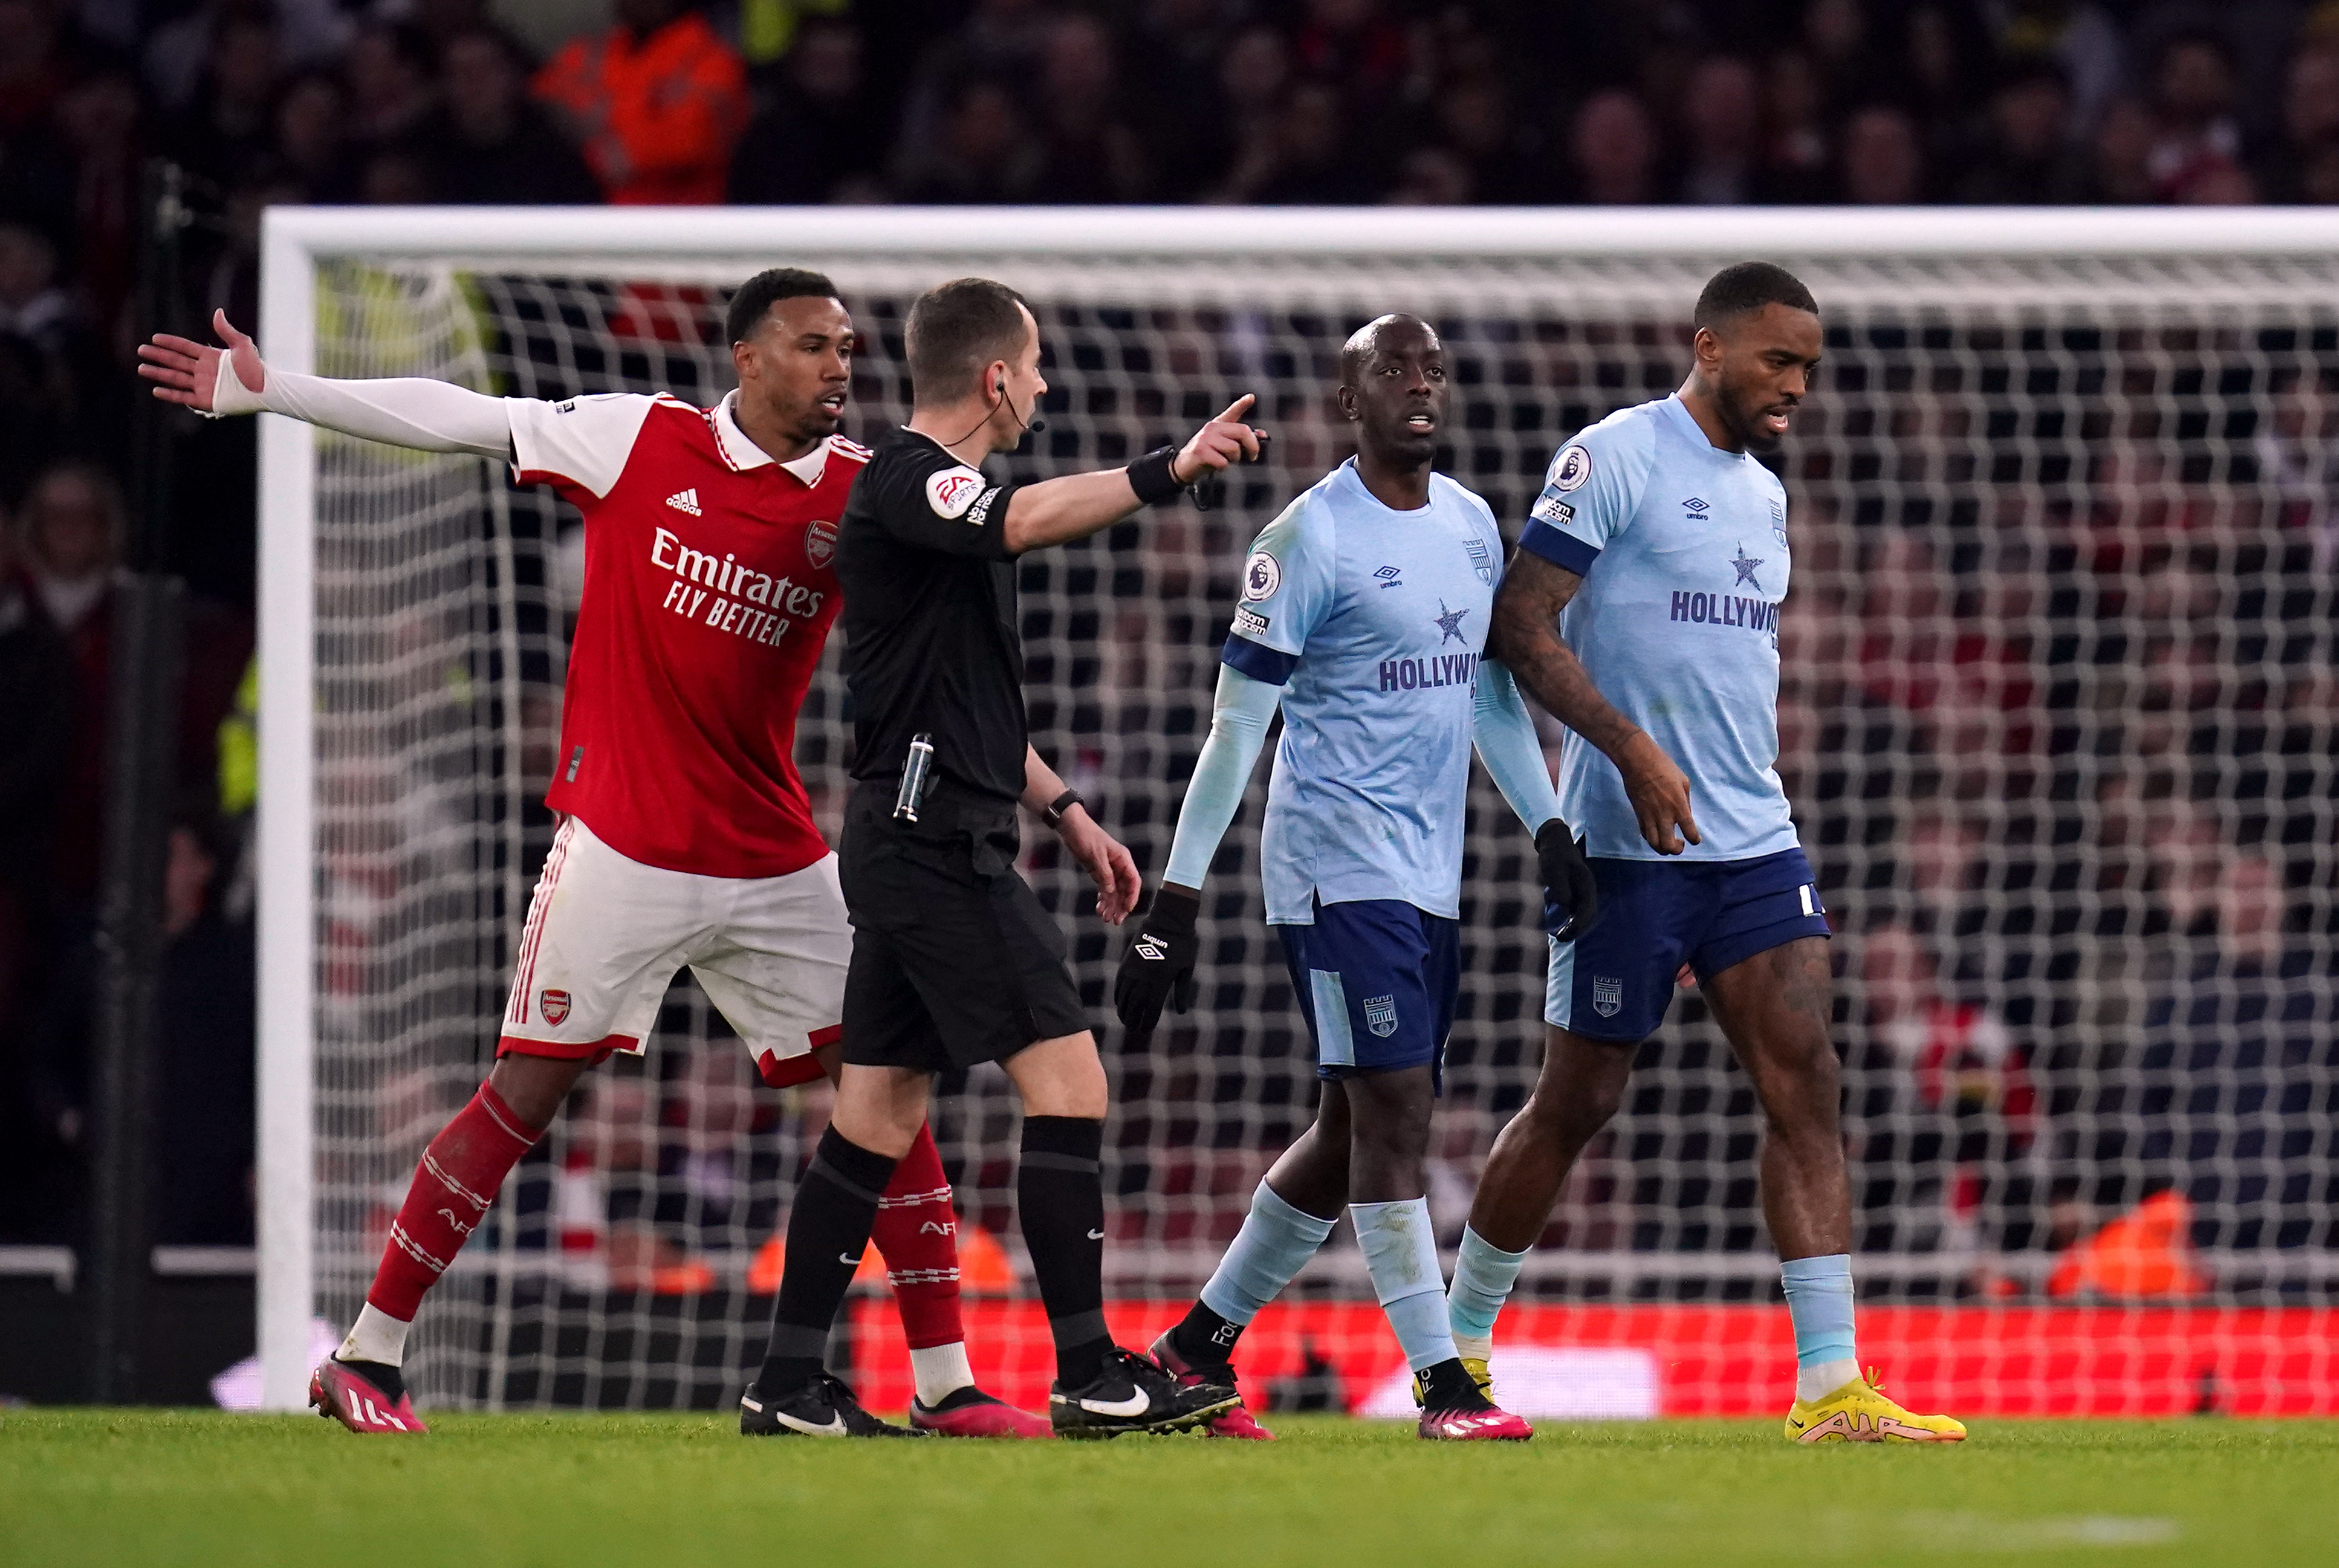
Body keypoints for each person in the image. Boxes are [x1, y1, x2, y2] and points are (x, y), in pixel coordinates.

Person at [137, 270, 1049, 1439]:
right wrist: (277, 393)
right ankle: (367, 1355)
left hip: (772, 853)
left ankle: (944, 1387)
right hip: (622, 843)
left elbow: (949, 676)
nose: (838, 369)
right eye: (813, 346)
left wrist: (1060, 805)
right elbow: (457, 415)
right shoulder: (639, 438)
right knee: (526, 1088)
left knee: (885, 1092)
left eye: (848, 350)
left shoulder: (862, 495)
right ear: (746, 357)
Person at [1441, 262, 1967, 1444]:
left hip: (1751, 837)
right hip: (1630, 847)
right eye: (1779, 362)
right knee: (1579, 1100)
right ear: (1711, 347)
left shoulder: (1764, 495)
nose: (1797, 388)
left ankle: (1831, 1385)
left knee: (1809, 1082)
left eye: (1811, 370)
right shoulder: (1613, 457)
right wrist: (1626, 752)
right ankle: (1457, 1350)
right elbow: (1517, 627)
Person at [742, 276, 1259, 1439]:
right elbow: (1017, 518)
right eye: (1031, 368)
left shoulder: (933, 503)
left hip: (920, 831)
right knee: (1070, 1085)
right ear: (991, 376)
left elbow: (963, 700)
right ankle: (1087, 1368)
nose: (1041, 386)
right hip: (930, 850)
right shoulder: (910, 477)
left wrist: (1068, 809)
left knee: (874, 1115)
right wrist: (1166, 469)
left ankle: (783, 1385)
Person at [1113, 314, 1588, 1442]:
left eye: (1431, 367)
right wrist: (1172, 901)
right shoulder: (1307, 537)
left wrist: (1552, 827)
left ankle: (1191, 1352)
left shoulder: (1474, 525)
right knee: (1396, 1109)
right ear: (1346, 398)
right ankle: (1444, 1385)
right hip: (1331, 864)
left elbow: (1485, 697)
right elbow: (1237, 729)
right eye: (1390, 369)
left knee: (1345, 1128)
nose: (1416, 385)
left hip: (1428, 873)